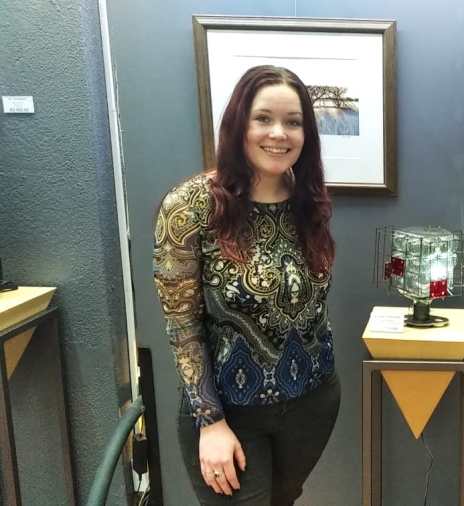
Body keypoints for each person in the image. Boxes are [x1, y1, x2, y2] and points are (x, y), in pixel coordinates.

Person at [153, 65, 340, 505]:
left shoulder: (307, 200)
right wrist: (210, 421)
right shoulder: (191, 206)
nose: (279, 133)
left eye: (293, 122)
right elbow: (181, 326)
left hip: (312, 405)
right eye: (263, 118)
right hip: (230, 415)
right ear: (239, 123)